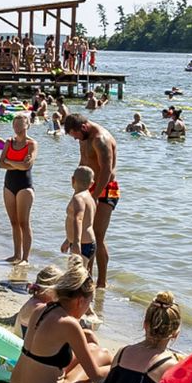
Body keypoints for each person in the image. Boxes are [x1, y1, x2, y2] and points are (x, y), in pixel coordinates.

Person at [6, 255, 111, 383]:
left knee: (94, 350)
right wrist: (116, 370)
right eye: (88, 303)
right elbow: (96, 375)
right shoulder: (69, 324)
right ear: (80, 300)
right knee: (103, 356)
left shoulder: (41, 310)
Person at [63, 113, 118, 289]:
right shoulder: (83, 137)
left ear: (84, 127)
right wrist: (78, 189)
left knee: (97, 235)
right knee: (86, 233)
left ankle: (102, 282)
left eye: (76, 135)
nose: (75, 139)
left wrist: (93, 197)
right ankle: (87, 276)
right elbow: (84, 162)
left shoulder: (100, 139)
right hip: (88, 187)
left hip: (106, 188)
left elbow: (106, 172)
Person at [0, 113, 37, 265]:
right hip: (9, 184)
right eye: (15, 125)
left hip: (24, 186)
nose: (17, 128)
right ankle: (16, 255)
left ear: (27, 125)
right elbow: (1, 164)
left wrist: (10, 161)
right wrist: (17, 163)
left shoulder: (32, 144)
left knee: (24, 223)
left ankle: (25, 258)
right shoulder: (9, 142)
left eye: (20, 125)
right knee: (14, 222)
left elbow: (27, 166)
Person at [63, 165, 97, 270]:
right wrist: (68, 240)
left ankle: (84, 286)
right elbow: (87, 221)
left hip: (82, 243)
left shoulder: (79, 198)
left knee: (76, 274)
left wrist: (76, 243)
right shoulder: (89, 198)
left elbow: (79, 219)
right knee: (80, 272)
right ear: (92, 184)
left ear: (72, 180)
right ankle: (89, 285)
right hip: (87, 242)